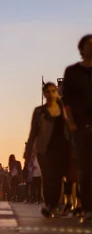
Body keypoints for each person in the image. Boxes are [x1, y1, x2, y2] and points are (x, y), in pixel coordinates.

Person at [25, 82, 71, 218]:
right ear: (44, 94)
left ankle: (54, 204)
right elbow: (33, 132)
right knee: (48, 177)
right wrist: (28, 151)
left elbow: (71, 126)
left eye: (53, 91)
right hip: (44, 148)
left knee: (58, 177)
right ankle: (49, 205)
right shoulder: (39, 111)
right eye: (47, 92)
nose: (50, 94)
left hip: (62, 148)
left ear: (56, 92)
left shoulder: (64, 109)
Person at [62, 34, 92, 223]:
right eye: (88, 45)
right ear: (82, 49)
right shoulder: (72, 72)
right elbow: (67, 102)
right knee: (85, 169)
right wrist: (72, 123)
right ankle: (88, 208)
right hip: (81, 127)